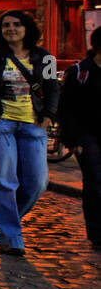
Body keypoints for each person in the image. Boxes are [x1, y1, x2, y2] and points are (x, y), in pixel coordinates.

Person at [0, 9, 59, 256]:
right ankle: (10, 238)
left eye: (17, 24)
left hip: (33, 125)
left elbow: (52, 89)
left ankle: (7, 222)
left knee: (37, 182)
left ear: (27, 28)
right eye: (6, 25)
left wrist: (49, 116)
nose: (11, 29)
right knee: (5, 181)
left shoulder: (45, 57)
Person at [60, 26, 101, 250]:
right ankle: (96, 233)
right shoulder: (80, 72)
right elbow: (67, 107)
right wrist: (72, 139)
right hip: (87, 134)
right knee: (95, 182)